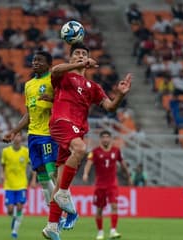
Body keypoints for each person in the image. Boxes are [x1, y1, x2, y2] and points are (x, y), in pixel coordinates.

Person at [41, 42, 132, 240]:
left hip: (77, 129)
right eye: (77, 54)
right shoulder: (64, 76)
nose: (81, 56)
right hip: (62, 121)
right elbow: (55, 69)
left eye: (84, 53)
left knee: (61, 178)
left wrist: (120, 95)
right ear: (71, 58)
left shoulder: (93, 87)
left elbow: (109, 107)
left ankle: (52, 226)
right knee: (81, 149)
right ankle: (64, 193)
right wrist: (75, 65)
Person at [2, 51, 77, 230]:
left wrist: (52, 99)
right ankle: (56, 215)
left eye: (40, 61)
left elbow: (65, 101)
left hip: (49, 134)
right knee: (43, 178)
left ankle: (71, 210)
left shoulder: (53, 80)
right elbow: (29, 113)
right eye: (34, 60)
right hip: (33, 136)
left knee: (53, 174)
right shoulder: (28, 85)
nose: (35, 63)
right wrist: (13, 131)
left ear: (49, 64)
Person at [83, 130, 132, 240]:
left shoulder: (116, 150)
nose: (105, 139)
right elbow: (89, 163)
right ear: (100, 139)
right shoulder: (95, 151)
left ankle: (113, 231)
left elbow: (122, 163)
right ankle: (100, 232)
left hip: (112, 184)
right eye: (103, 137)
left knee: (114, 206)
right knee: (99, 209)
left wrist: (128, 175)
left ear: (110, 139)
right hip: (100, 185)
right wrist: (85, 173)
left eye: (107, 137)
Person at [1, 132, 33, 239]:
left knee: (19, 207)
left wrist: (33, 180)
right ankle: (14, 217)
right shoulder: (6, 151)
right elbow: (3, 165)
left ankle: (15, 231)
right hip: (9, 185)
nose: (17, 138)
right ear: (12, 138)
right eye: (15, 136)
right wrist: (2, 175)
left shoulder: (26, 152)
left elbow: (34, 166)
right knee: (10, 210)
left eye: (19, 135)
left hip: (21, 184)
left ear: (21, 138)